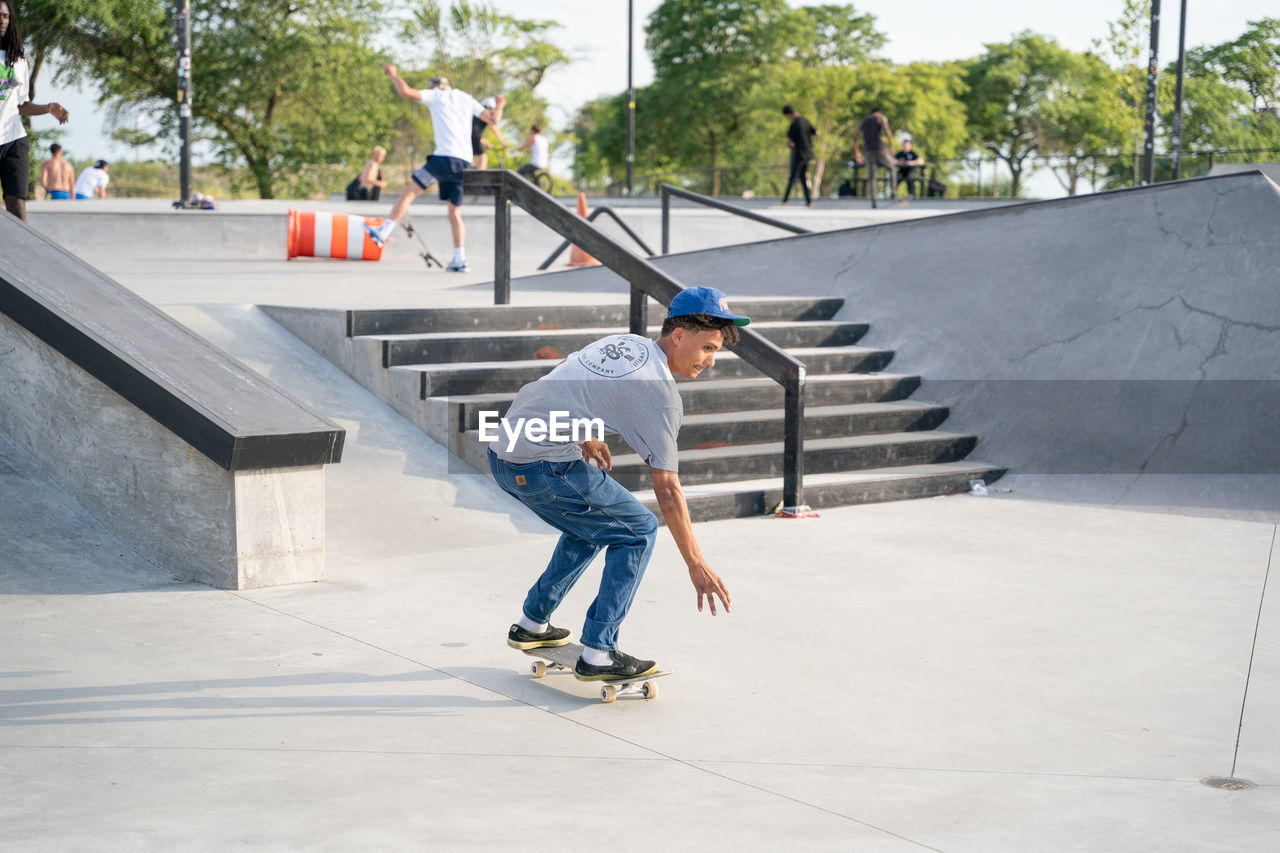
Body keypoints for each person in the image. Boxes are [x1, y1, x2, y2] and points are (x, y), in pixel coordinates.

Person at [491, 286, 742, 680]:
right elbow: (668, 492)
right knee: (638, 531)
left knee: (592, 527)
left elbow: (563, 383)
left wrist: (584, 432)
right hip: (541, 466)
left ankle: (532, 624)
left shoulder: (625, 344)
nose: (711, 360)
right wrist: (696, 564)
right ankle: (598, 654)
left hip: (503, 453)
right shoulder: (660, 396)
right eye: (708, 348)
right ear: (680, 336)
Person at [364, 66, 504, 273]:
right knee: (455, 212)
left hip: (442, 160)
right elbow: (494, 120)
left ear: (435, 87)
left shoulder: (436, 95)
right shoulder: (465, 98)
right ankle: (460, 258)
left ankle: (383, 232)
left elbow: (406, 92)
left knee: (410, 191)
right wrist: (499, 105)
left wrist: (394, 75)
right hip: (463, 163)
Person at [0, 0, 69, 222]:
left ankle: (21, 255)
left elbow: (21, 106)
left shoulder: (18, 60)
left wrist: (48, 108)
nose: (2, 20)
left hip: (13, 139)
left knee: (17, 202)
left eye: (5, 16)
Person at [852, 106, 895, 208]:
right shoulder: (881, 118)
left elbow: (855, 137)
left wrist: (857, 152)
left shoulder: (863, 121)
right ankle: (894, 193)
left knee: (872, 177)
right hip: (880, 149)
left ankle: (874, 201)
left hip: (868, 151)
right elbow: (887, 132)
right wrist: (891, 145)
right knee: (892, 168)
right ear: (879, 113)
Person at [780, 105, 816, 208]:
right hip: (808, 153)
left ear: (788, 114)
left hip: (799, 154)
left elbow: (789, 142)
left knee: (792, 177)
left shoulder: (794, 124)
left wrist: (793, 144)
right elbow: (816, 133)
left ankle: (785, 201)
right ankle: (809, 202)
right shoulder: (805, 121)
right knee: (803, 177)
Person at [471, 97, 508, 169]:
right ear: (490, 108)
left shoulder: (477, 117)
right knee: (483, 158)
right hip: (473, 138)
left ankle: (474, 173)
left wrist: (487, 144)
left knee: (478, 159)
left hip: (471, 138)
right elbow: (494, 127)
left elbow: (476, 134)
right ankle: (479, 178)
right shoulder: (485, 115)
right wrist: (503, 142)